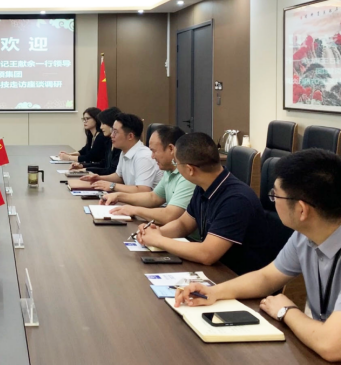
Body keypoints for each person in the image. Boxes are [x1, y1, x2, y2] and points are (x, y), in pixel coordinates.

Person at [174, 149, 341, 362]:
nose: (272, 201)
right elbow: (266, 278)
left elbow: (331, 346)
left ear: (302, 210)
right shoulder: (304, 236)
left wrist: (286, 311)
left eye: (275, 195)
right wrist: (213, 292)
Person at [137, 132, 274, 275]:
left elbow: (207, 254)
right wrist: (156, 232)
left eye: (176, 163)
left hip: (235, 276)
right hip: (215, 269)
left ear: (190, 170)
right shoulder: (204, 186)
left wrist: (159, 240)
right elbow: (183, 224)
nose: (175, 166)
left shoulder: (236, 200)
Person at [103, 125, 195, 227]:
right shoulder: (169, 171)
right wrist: (119, 196)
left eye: (154, 151)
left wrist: (134, 210)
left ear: (171, 149)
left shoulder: (187, 175)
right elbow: (153, 197)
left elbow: (169, 216)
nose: (152, 156)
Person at [82, 113, 163, 193]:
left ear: (130, 136)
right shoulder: (124, 151)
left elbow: (142, 190)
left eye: (115, 132)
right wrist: (99, 178)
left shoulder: (144, 157)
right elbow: (119, 177)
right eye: (112, 131)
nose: (112, 135)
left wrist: (112, 186)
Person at [73, 107, 123, 175]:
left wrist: (86, 169)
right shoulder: (109, 142)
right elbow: (103, 163)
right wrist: (82, 166)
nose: (101, 127)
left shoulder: (119, 145)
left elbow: (111, 171)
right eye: (84, 119)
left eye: (103, 123)